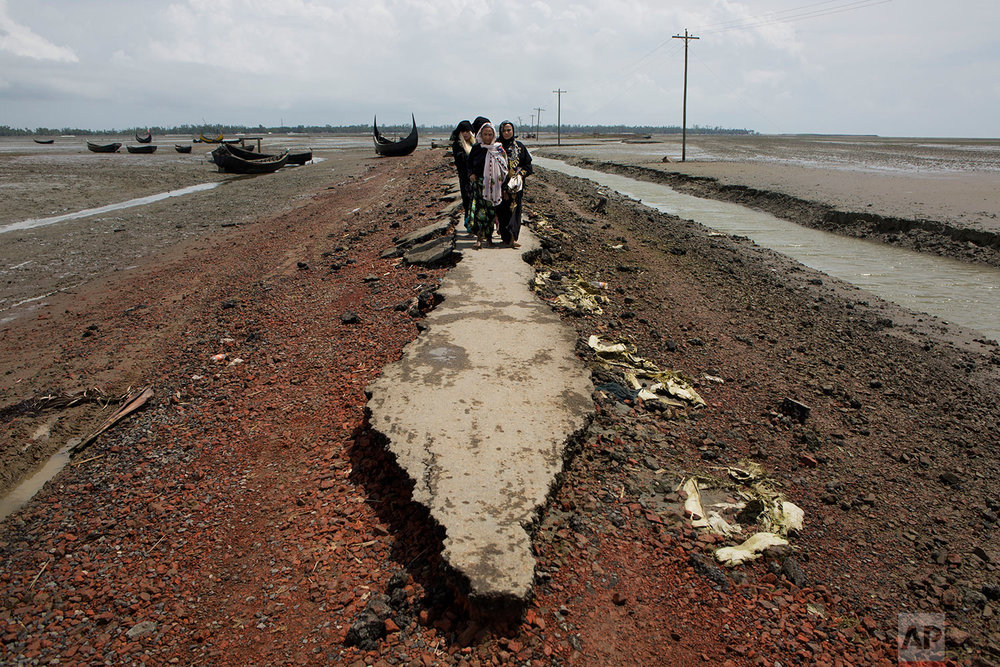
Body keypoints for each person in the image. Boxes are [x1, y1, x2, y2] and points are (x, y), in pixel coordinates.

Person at [465, 122, 507, 249]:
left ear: (494, 135)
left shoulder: (498, 149)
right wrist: (471, 174)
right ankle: (479, 238)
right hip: (479, 184)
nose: (487, 137)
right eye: (485, 134)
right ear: (480, 135)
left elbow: (505, 167)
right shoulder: (477, 149)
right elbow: (469, 164)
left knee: (490, 213)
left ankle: (489, 238)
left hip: (494, 186)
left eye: (490, 134)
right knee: (479, 211)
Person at [495, 120, 533, 248]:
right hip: (499, 186)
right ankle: (505, 238)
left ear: (513, 131)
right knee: (502, 212)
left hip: (515, 187)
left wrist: (520, 174)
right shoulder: (496, 147)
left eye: (509, 130)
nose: (506, 133)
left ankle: (513, 238)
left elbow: (528, 166)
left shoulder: (520, 147)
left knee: (515, 211)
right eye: (504, 130)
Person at [449, 120, 475, 222]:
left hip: (476, 177)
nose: (465, 134)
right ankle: (468, 222)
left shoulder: (474, 144)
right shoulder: (457, 145)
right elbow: (461, 160)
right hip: (465, 177)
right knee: (467, 199)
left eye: (467, 131)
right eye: (463, 131)